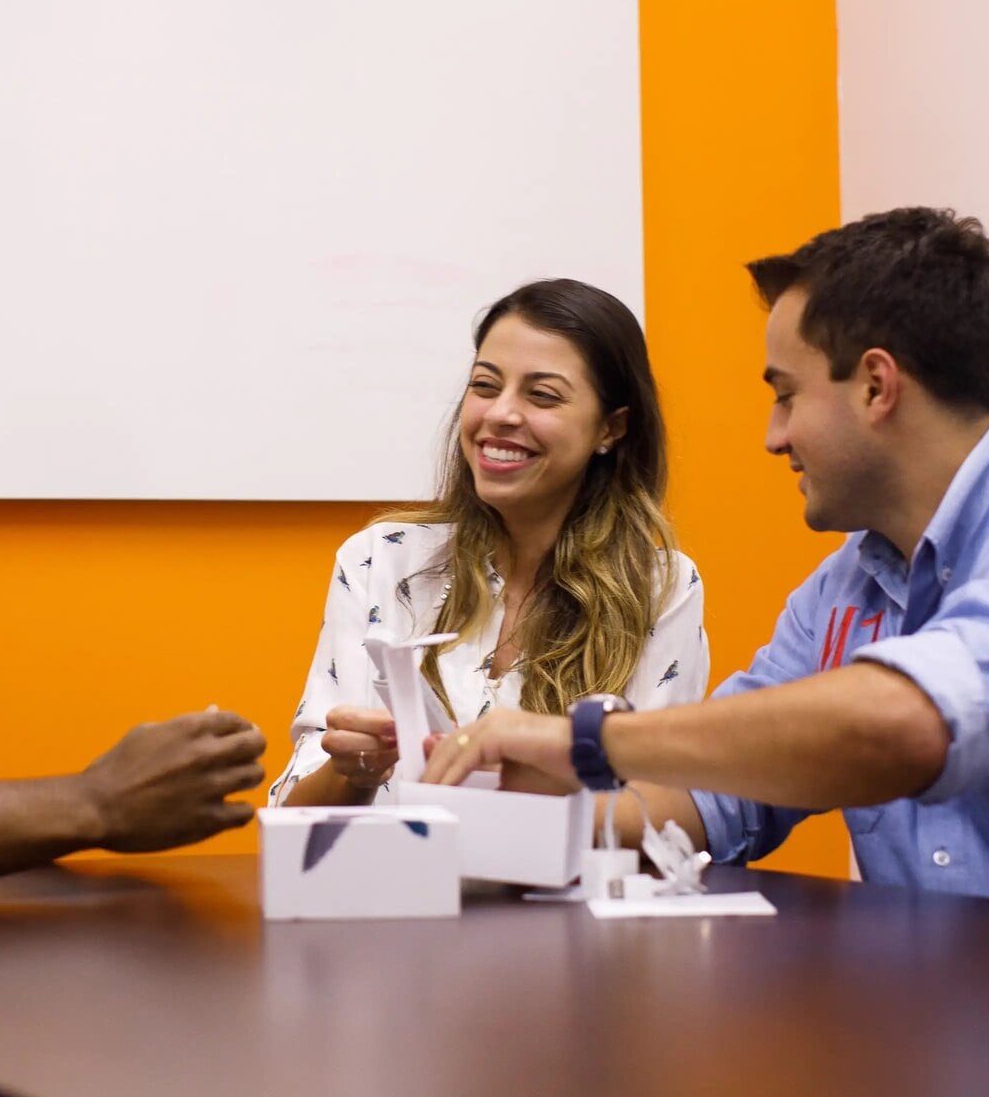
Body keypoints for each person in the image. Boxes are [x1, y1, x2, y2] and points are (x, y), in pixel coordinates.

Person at [423, 209, 989, 936]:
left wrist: (585, 740)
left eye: (785, 394)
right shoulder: (844, 591)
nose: (773, 435)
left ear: (877, 387)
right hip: (985, 1055)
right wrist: (497, 825)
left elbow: (904, 726)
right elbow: (715, 798)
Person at [270, 278, 707, 814]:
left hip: (564, 899)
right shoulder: (379, 559)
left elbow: (653, 808)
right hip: (392, 893)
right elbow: (291, 819)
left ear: (610, 429)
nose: (500, 414)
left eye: (542, 395)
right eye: (484, 385)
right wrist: (353, 771)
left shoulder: (659, 587)